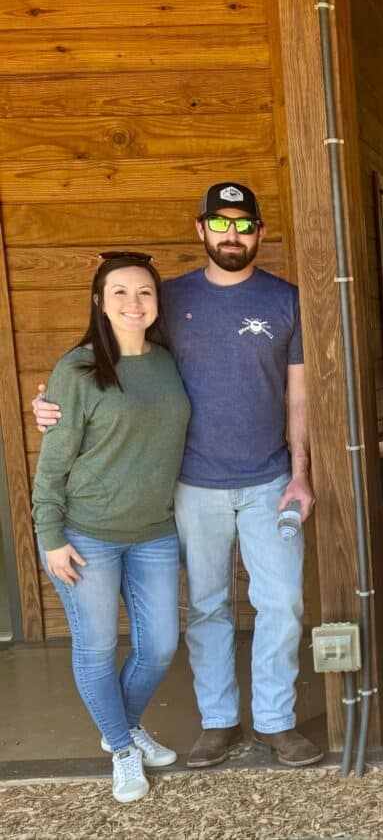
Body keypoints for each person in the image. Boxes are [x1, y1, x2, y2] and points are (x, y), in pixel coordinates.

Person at [35, 183, 319, 769]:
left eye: (244, 225)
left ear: (260, 233)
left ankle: (276, 720)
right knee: (208, 607)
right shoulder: (169, 299)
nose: (232, 235)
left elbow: (298, 397)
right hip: (191, 486)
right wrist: (53, 402)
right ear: (201, 229)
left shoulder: (287, 300)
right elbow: (114, 351)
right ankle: (219, 721)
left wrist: (300, 474)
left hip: (270, 480)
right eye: (220, 223)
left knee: (283, 603)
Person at [32, 253, 190, 802]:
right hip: (85, 534)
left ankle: (121, 725)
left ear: (157, 302)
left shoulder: (167, 362)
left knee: (161, 646)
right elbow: (53, 463)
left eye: (144, 292)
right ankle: (122, 748)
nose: (133, 303)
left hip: (154, 531)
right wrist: (50, 536)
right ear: (99, 302)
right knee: (96, 647)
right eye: (119, 292)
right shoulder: (76, 369)